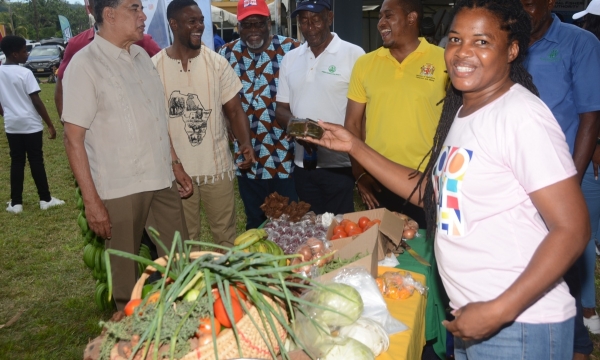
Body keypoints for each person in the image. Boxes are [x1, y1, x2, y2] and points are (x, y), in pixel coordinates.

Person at [303, 0, 589, 358]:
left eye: (481, 42)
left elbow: (572, 228)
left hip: (518, 324)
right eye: (455, 39)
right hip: (475, 317)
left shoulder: (521, 116)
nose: (462, 52)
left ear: (512, 49)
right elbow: (432, 194)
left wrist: (497, 310)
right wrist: (355, 147)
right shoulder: (466, 111)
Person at [62, 0, 191, 310]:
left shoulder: (141, 57)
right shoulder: (85, 65)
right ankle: (131, 345)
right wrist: (92, 203)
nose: (143, 16)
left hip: (160, 179)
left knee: (181, 265)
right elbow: (72, 139)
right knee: (125, 280)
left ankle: (184, 328)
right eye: (134, 8)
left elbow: (156, 117)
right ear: (109, 14)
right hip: (119, 188)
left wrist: (174, 162)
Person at [521, 0, 600, 353]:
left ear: (550, 2)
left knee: (564, 260)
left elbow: (590, 116)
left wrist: (571, 181)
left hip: (562, 173)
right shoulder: (505, 39)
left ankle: (576, 340)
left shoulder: (579, 43)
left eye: (531, 2)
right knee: (525, 259)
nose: (524, 10)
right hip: (514, 176)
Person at [152, 0, 255, 247]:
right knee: (185, 241)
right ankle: (191, 285)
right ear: (173, 24)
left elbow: (235, 110)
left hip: (216, 168)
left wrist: (245, 143)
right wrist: (172, 163)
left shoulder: (217, 63)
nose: (199, 26)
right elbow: (153, 121)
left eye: (201, 21)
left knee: (225, 239)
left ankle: (227, 286)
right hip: (174, 172)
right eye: (192, 21)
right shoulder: (154, 67)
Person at [345, 0, 447, 228]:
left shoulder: (443, 61)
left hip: (426, 183)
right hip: (378, 182)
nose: (381, 23)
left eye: (388, 16)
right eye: (380, 16)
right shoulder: (365, 64)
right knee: (382, 255)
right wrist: (360, 175)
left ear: (411, 18)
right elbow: (352, 124)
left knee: (425, 254)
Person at [275, 0, 364, 215]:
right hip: (302, 163)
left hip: (340, 164)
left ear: (330, 18)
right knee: (310, 228)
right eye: (304, 21)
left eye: (316, 19)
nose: (309, 27)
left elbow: (364, 113)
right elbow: (280, 109)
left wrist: (361, 166)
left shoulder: (354, 55)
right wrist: (299, 128)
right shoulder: (290, 58)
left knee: (340, 229)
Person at [218, 0, 300, 229]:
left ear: (269, 24)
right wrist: (225, 121)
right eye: (247, 25)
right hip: (248, 156)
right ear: (239, 27)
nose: (253, 31)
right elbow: (219, 98)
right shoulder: (226, 54)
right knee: (255, 221)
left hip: (284, 154)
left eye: (259, 24)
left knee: (290, 220)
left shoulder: (291, 49)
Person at [53, 0, 161, 118]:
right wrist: (67, 124)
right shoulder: (76, 46)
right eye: (97, 5)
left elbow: (164, 68)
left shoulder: (143, 42)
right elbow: (61, 86)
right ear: (90, 9)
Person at [0, 35, 65, 214]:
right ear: (14, 54)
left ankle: (16, 203)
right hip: (30, 125)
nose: (27, 54)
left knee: (17, 161)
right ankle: (45, 199)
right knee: (36, 161)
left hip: (12, 125)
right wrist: (50, 124)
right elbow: (36, 101)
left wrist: (6, 112)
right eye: (23, 51)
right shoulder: (25, 73)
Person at [573, 0, 600, 335]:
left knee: (583, 232)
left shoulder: (589, 54)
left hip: (591, 164)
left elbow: (591, 112)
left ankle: (588, 311)